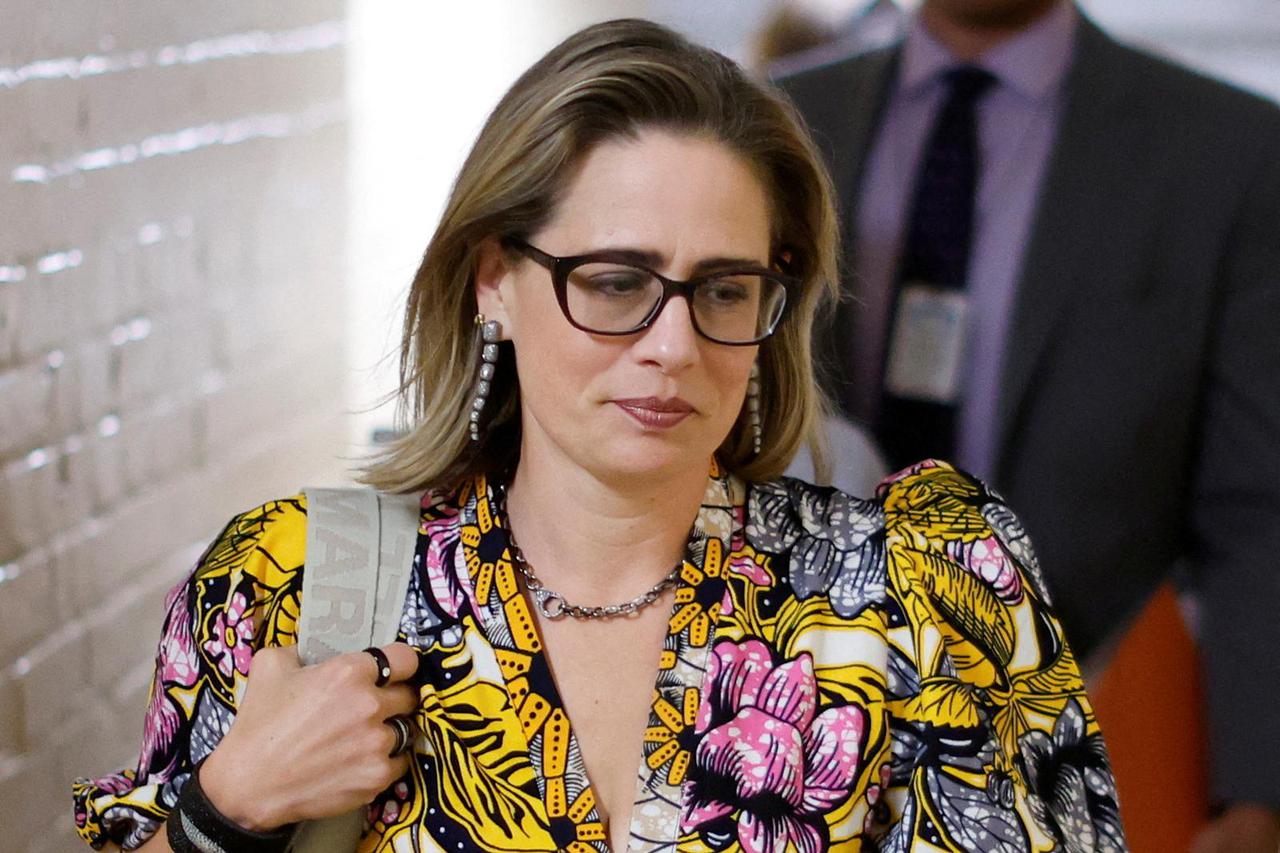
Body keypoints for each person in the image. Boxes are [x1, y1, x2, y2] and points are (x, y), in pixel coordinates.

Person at [72, 19, 1126, 853]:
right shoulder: (290, 586)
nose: (672, 343)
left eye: (722, 288)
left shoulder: (925, 597)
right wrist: (228, 808)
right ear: (493, 281)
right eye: (616, 281)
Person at [774, 1, 1280, 850]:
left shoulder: (1227, 154)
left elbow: (1260, 508)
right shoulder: (777, 121)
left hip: (1090, 732)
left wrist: (1257, 793)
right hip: (794, 727)